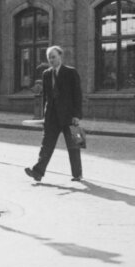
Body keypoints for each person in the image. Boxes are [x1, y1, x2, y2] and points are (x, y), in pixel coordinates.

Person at [24, 44, 84, 183]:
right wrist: (44, 116)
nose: (51, 60)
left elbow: (78, 95)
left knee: (74, 146)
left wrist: (77, 115)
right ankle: (37, 172)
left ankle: (77, 174)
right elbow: (46, 97)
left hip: (70, 117)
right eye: (49, 58)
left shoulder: (71, 72)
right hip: (52, 117)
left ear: (60, 57)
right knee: (46, 145)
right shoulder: (46, 74)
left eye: (54, 57)